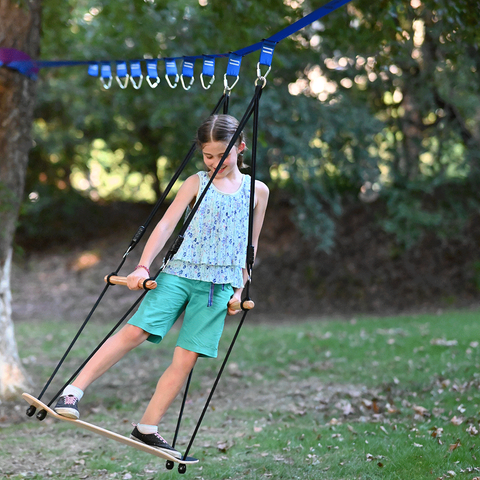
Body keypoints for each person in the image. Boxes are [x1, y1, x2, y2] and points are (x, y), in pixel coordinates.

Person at [54, 114, 269, 459]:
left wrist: (241, 289)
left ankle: (147, 427)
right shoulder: (195, 183)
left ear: (241, 147)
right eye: (208, 156)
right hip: (179, 274)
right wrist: (142, 265)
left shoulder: (258, 191)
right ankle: (72, 392)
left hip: (218, 287)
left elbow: (250, 246)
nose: (214, 163)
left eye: (221, 155)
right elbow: (166, 225)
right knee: (134, 332)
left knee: (185, 359)